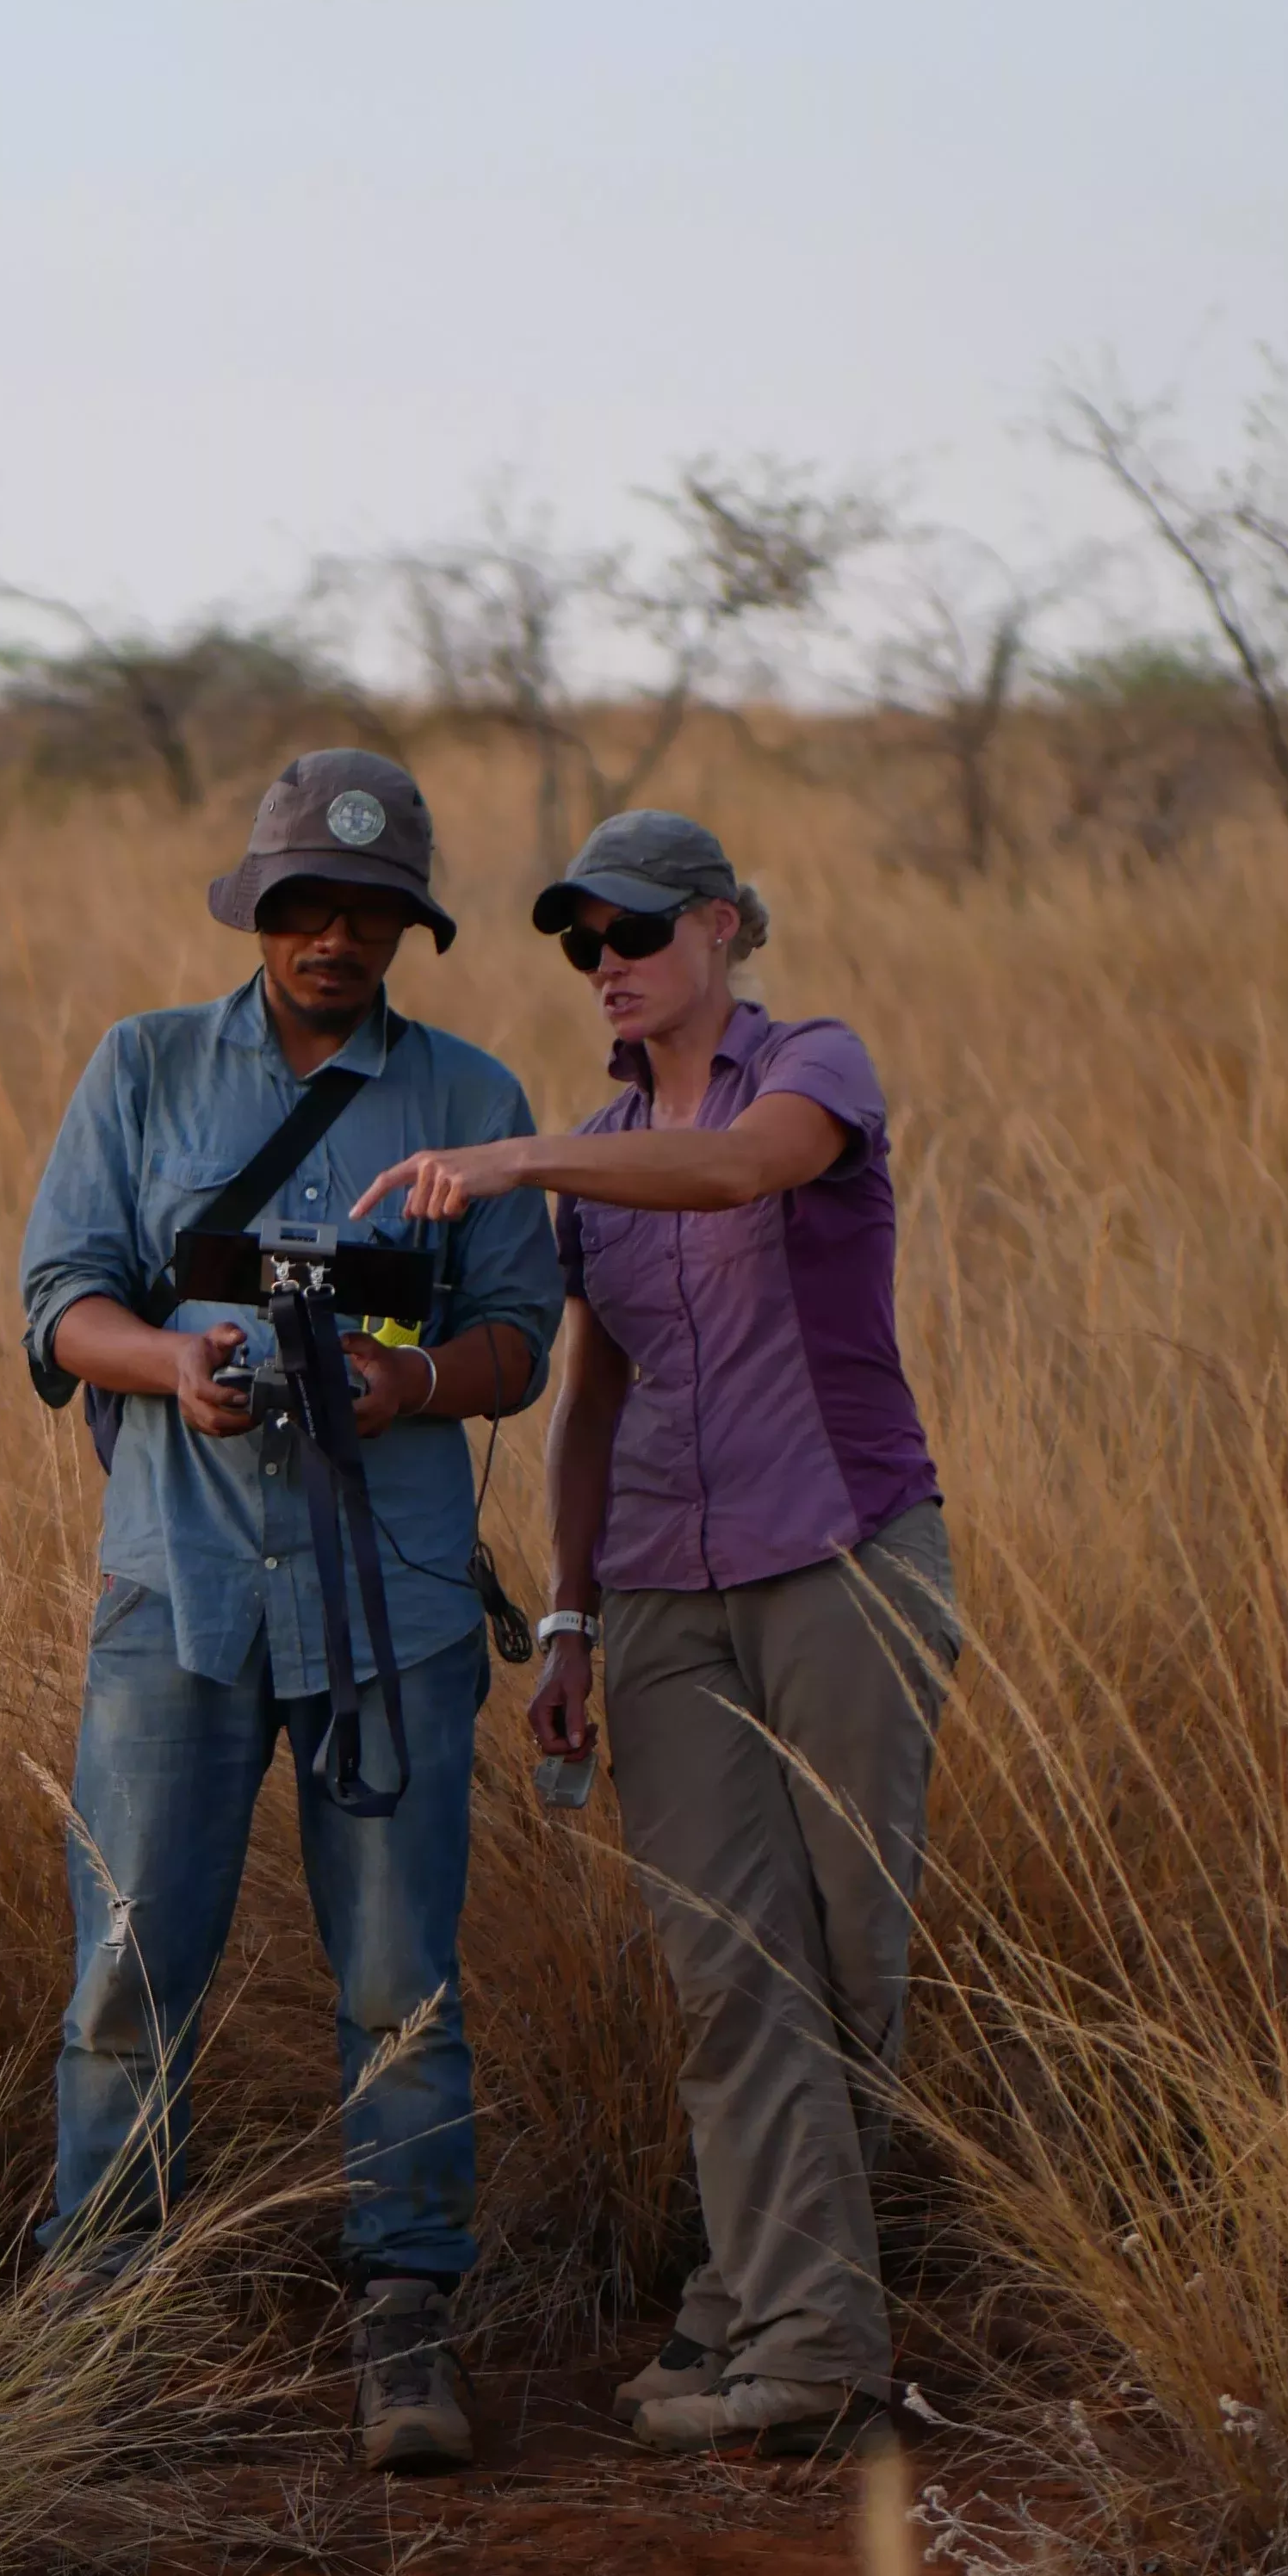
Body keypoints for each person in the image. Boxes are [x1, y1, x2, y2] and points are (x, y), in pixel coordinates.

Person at [352, 808, 957, 2461]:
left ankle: (752, 2307)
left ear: (722, 926)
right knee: (724, 1969)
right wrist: (566, 1619)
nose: (603, 966)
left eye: (630, 933)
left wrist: (522, 1158)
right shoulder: (603, 1164)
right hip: (666, 1596)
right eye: (579, 945)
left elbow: (747, 1170)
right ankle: (812, 2349)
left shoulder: (807, 1070)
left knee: (847, 1963)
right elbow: (594, 1402)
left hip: (844, 1559)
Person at [19, 748, 563, 2473]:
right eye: (302, 905)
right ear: (255, 910)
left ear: (410, 925)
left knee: (399, 1972)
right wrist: (169, 1359)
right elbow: (56, 1303)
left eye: (369, 909)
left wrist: (409, 1386)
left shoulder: (469, 1093)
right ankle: (102, 2307)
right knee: (125, 1959)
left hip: (389, 1599)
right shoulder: (145, 1065)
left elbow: (519, 1340)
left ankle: (403, 2316)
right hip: (172, 1584)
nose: (333, 935)